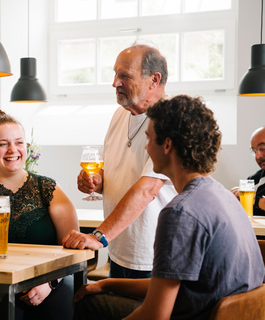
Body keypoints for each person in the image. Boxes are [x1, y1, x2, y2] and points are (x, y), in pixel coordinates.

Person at [73, 95, 265, 320]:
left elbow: (155, 315)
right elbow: (177, 285)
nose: (145, 146)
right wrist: (108, 284)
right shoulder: (225, 197)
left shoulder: (180, 213)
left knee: (87, 304)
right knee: (98, 292)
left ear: (167, 145)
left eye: (148, 138)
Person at [62, 43, 177, 279]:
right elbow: (111, 171)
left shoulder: (171, 119)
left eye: (124, 76)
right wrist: (95, 180)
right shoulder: (120, 113)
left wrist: (98, 236)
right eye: (115, 74)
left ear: (154, 80)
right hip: (120, 249)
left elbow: (147, 190)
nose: (115, 82)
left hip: (153, 254)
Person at [0, 108, 79, 320]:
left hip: (46, 282)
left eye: (19, 142)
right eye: (3, 144)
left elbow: (73, 250)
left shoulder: (48, 188)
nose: (13, 150)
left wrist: (50, 283)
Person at [231, 127, 265, 216]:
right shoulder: (255, 179)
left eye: (262, 148)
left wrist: (255, 200)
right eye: (254, 151)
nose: (258, 156)